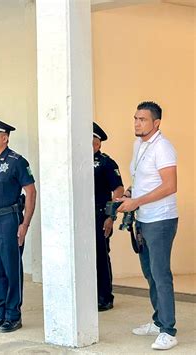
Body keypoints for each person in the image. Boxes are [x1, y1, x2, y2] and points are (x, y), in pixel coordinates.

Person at [117, 101, 179, 351]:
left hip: (161, 219)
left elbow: (169, 186)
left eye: (142, 119)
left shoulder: (163, 147)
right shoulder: (138, 144)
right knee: (150, 273)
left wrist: (136, 201)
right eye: (135, 118)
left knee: (161, 274)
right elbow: (143, 179)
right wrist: (131, 194)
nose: (137, 123)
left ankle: (168, 330)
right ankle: (158, 320)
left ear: (156, 123)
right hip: (143, 217)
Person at [0, 115, 36, 333]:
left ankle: (13, 314)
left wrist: (25, 225)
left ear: (5, 137)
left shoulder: (16, 161)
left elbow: (30, 193)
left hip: (8, 220)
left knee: (11, 268)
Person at [92, 123, 124, 311]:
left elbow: (118, 189)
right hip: (81, 216)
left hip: (99, 214)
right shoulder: (76, 161)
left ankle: (104, 297)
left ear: (98, 144)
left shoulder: (106, 162)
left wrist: (111, 216)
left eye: (92, 142)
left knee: (100, 256)